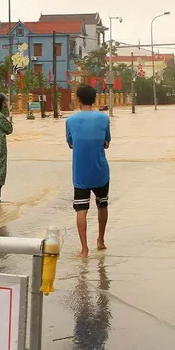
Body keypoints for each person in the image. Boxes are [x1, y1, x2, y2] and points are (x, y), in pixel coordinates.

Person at [65, 85, 111, 258]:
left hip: (81, 172)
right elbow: (107, 142)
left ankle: (84, 249)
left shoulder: (70, 121)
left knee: (81, 210)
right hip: (100, 171)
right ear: (95, 99)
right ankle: (101, 240)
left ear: (78, 99)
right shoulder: (104, 119)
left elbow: (70, 143)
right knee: (102, 205)